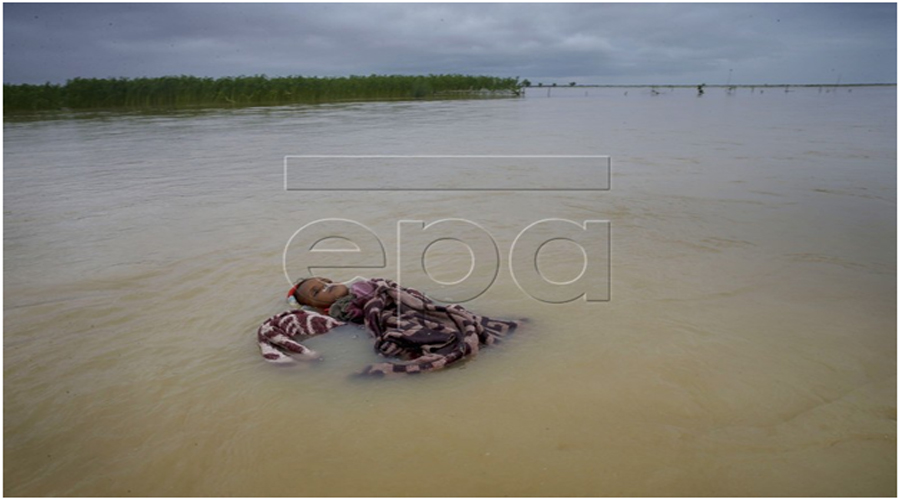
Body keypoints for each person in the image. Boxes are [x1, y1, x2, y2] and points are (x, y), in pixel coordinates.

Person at [260, 276, 519, 376]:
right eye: (317, 291)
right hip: (386, 317)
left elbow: (398, 292)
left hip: (399, 306)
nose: (326, 286)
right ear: (316, 307)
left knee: (445, 314)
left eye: (325, 281)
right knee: (413, 332)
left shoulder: (364, 286)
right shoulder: (336, 312)